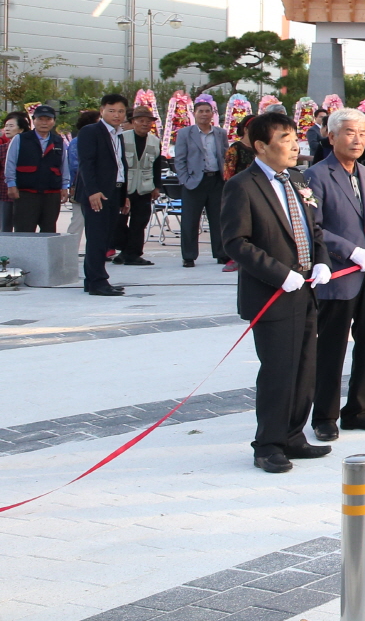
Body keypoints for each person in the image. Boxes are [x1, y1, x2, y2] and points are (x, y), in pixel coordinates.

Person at [218, 110, 333, 473]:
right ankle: (267, 444)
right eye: (285, 139)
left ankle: (293, 435)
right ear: (261, 146)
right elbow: (235, 242)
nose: (294, 144)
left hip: (306, 288)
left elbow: (315, 229)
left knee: (305, 367)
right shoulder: (242, 185)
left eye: (293, 137)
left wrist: (322, 261)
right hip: (272, 292)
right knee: (278, 370)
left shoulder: (298, 179)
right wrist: (279, 273)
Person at [306, 107, 365, 440]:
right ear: (330, 136)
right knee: (331, 349)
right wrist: (349, 251)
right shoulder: (315, 176)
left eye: (362, 133)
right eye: (349, 132)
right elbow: (314, 228)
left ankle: (359, 409)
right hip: (338, 276)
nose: (357, 139)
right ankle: (325, 416)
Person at [74, 93, 130, 297]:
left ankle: (93, 280)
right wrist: (93, 191)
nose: (117, 115)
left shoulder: (118, 134)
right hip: (97, 193)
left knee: (106, 237)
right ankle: (98, 281)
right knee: (97, 237)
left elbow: (120, 165)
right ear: (102, 110)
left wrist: (124, 194)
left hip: (115, 191)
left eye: (121, 111)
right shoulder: (91, 131)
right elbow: (86, 164)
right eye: (112, 110)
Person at [174, 98, 230, 267]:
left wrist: (225, 177)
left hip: (216, 181)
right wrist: (185, 180)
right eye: (201, 111)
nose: (204, 114)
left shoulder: (220, 133)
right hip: (194, 181)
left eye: (207, 111)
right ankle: (189, 256)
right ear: (194, 114)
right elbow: (180, 160)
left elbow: (226, 156)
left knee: (218, 219)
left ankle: (221, 253)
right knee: (190, 220)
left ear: (212, 114)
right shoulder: (185, 133)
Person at [6, 104, 69, 233]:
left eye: (48, 119)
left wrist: (65, 186)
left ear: (54, 121)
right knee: (24, 230)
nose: (44, 123)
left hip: (51, 194)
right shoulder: (21, 139)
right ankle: (23, 254)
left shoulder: (58, 141)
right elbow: (10, 162)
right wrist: (11, 184)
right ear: (33, 120)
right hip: (26, 193)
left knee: (49, 230)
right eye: (40, 119)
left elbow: (64, 165)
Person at [115, 106, 163, 265]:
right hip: (124, 187)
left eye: (148, 121)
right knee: (119, 222)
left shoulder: (155, 141)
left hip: (144, 187)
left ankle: (133, 254)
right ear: (133, 122)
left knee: (140, 222)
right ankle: (125, 250)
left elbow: (157, 165)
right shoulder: (121, 138)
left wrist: (157, 186)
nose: (145, 124)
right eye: (141, 121)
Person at [0, 111, 21, 232]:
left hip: (25, 193)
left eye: (11, 126)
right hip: (4, 193)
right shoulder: (2, 149)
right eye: (6, 126)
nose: (7, 129)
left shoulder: (27, 148)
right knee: (5, 228)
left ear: (21, 129)